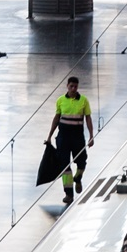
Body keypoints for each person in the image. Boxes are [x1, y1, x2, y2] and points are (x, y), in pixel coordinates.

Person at [46, 76, 94, 204]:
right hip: (63, 137)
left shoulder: (84, 101)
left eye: (75, 86)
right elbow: (56, 118)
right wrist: (50, 136)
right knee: (64, 166)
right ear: (67, 86)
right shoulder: (60, 100)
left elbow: (88, 118)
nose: (73, 89)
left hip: (77, 137)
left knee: (82, 162)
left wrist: (91, 136)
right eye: (71, 86)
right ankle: (69, 194)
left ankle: (78, 178)